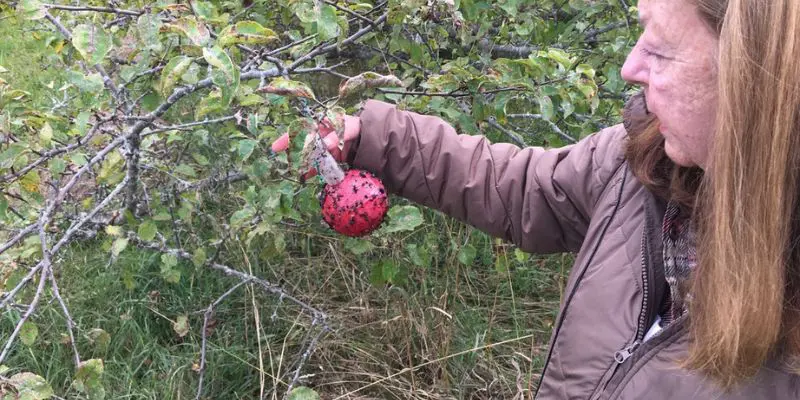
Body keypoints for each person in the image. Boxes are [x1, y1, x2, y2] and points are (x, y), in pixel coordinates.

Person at [272, 0, 800, 397]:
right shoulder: (640, 164)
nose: (630, 68)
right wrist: (373, 137)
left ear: (756, 83)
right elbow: (521, 187)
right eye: (641, 34)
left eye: (660, 51)